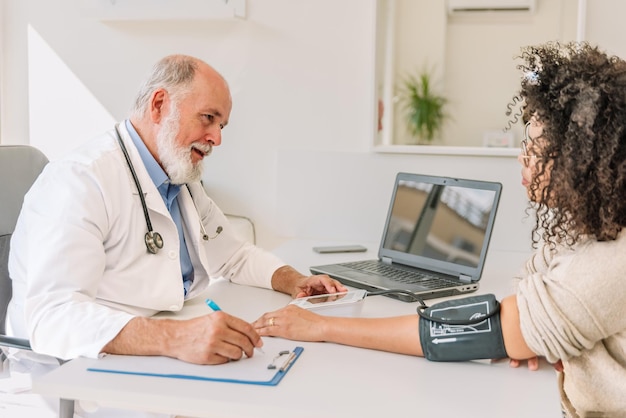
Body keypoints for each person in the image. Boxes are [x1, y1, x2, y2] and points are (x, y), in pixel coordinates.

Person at [253, 41, 626, 417]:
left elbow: (489, 329)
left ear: (581, 160)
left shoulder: (613, 259)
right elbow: (527, 285)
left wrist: (323, 328)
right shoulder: (590, 226)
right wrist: (531, 333)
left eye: (533, 146)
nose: (522, 155)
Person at [7, 54, 346, 367]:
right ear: (159, 105)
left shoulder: (178, 177)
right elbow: (53, 315)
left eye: (222, 126)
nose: (216, 138)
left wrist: (296, 281)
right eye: (208, 118)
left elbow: (234, 256)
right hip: (75, 368)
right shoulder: (79, 180)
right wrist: (178, 337)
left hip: (151, 349)